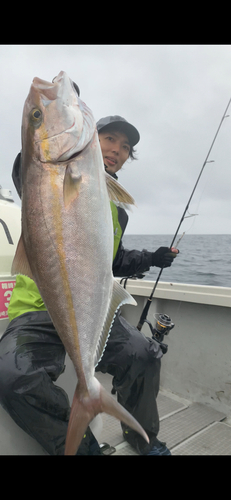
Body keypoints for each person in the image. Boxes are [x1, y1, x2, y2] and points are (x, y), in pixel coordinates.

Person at [0, 85, 178, 455]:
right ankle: (83, 449)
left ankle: (142, 435)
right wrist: (53, 114)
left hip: (91, 311)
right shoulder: (46, 173)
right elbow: (28, 168)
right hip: (36, 309)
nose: (117, 149)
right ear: (91, 137)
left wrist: (152, 258)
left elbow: (113, 260)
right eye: (109, 138)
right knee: (11, 375)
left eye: (125, 147)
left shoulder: (114, 208)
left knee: (144, 354)